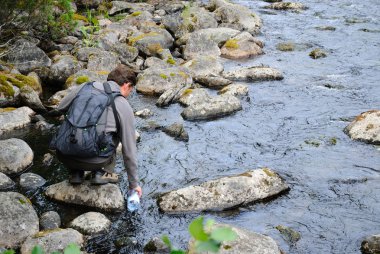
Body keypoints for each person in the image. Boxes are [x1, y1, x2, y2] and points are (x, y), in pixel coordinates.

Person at [54, 64, 142, 197]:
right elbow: (129, 151)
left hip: (64, 154)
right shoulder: (123, 104)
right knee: (115, 134)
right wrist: (134, 184)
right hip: (96, 161)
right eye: (131, 90)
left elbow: (60, 108)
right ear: (126, 85)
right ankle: (100, 174)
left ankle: (76, 173)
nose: (129, 95)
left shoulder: (84, 87)